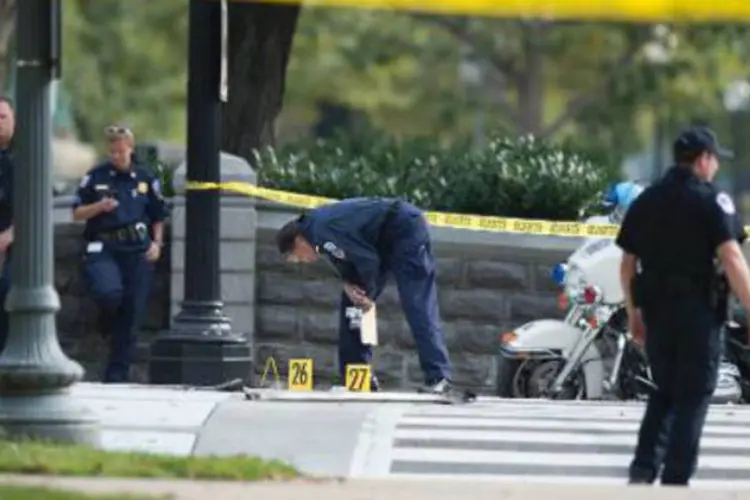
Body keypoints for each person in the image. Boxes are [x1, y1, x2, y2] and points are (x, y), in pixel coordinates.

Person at [615, 125, 750, 486]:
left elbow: (627, 264)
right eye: (715, 159)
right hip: (698, 313)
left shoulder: (647, 200)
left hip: (656, 311)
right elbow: (732, 258)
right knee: (692, 396)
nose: (717, 167)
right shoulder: (711, 200)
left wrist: (633, 314)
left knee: (664, 389)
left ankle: (643, 468)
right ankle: (675, 479)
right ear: (703, 160)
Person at [276, 197, 453, 394]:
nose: (305, 261)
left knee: (417, 303)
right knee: (352, 305)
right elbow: (347, 257)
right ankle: (357, 376)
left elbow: (366, 259)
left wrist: (368, 293)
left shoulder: (321, 230)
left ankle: (439, 377)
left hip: (403, 228)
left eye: (299, 257)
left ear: (298, 241)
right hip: (380, 239)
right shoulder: (317, 232)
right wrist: (350, 284)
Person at [72, 125, 168, 383]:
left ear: (130, 149)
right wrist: (99, 207)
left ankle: (117, 374)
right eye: (112, 151)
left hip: (137, 249)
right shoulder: (97, 176)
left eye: (121, 151)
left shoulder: (146, 178)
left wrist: (157, 244)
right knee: (108, 292)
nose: (116, 155)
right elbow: (77, 212)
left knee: (132, 313)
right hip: (104, 246)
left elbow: (158, 216)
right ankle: (104, 321)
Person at [0, 97, 15, 353]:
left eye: (3, 117)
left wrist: (10, 235)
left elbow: (37, 205)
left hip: (15, 246)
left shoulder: (27, 159)